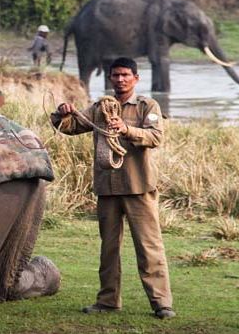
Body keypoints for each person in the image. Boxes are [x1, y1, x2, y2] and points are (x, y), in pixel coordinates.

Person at [51, 57, 175, 319]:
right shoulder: (100, 107)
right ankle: (108, 301)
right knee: (108, 249)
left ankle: (162, 303)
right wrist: (61, 113)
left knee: (148, 247)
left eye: (125, 75)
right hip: (107, 188)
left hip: (138, 187)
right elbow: (70, 127)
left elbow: (155, 137)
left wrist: (126, 129)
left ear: (136, 78)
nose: (120, 79)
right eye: (115, 75)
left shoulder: (146, 106)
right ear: (109, 78)